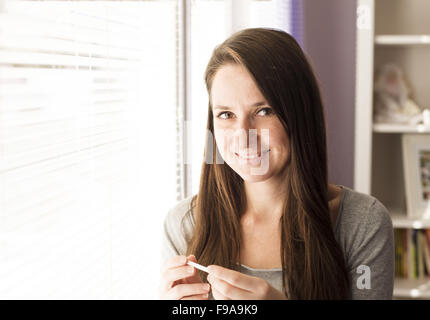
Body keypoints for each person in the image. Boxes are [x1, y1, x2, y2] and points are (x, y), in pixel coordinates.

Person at [159, 28, 394, 300]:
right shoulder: (183, 225)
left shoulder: (363, 223)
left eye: (263, 111)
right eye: (226, 114)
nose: (243, 136)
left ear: (299, 114)